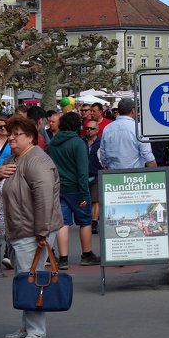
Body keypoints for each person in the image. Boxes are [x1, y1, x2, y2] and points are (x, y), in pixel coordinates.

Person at [0, 115, 63, 338]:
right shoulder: (15, 159)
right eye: (9, 133)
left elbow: (44, 199)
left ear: (31, 137)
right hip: (20, 229)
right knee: (25, 276)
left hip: (31, 230)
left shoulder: (37, 162)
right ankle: (27, 326)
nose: (11, 137)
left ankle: (36, 330)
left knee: (31, 278)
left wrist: (42, 233)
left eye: (17, 134)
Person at [48, 111, 99, 269]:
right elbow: (82, 171)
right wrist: (85, 192)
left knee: (63, 223)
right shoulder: (78, 143)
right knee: (85, 221)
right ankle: (86, 254)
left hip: (58, 187)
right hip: (76, 189)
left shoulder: (53, 143)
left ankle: (63, 258)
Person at [98, 98, 156, 169]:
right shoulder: (138, 128)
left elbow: (103, 155)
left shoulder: (107, 128)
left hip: (113, 175)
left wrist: (106, 167)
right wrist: (157, 175)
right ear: (133, 111)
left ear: (119, 111)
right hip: (134, 176)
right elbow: (147, 156)